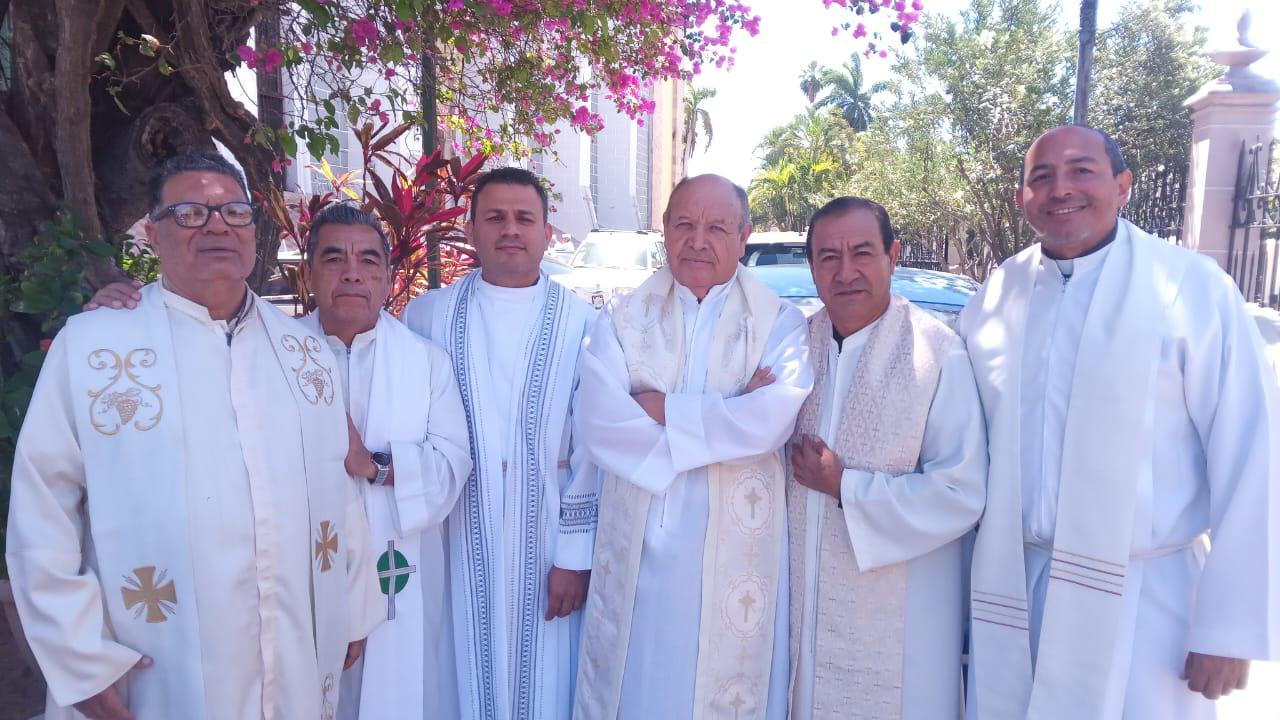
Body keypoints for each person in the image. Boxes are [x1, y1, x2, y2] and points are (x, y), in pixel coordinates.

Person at [7, 152, 381, 720]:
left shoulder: (305, 354)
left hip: (296, 641)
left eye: (234, 212)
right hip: (154, 658)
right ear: (152, 233)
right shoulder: (93, 349)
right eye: (189, 213)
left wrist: (353, 607)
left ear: (254, 234)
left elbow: (339, 490)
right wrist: (78, 662)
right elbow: (42, 509)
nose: (215, 227)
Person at [961, 125, 1280, 719]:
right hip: (1017, 589)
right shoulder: (997, 294)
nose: (1062, 189)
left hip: (1147, 603)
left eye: (1082, 170)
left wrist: (1229, 629)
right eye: (1042, 176)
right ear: (1021, 197)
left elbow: (1252, 453)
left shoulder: (1189, 288)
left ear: (1123, 185)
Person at [572, 174, 814, 720]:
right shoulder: (622, 320)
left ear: (744, 234)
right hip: (642, 551)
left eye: (716, 227)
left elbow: (774, 419)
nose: (698, 240)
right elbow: (600, 421)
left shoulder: (780, 322)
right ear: (664, 230)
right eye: (684, 224)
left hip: (741, 553)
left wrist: (660, 408)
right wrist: (733, 406)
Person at [401, 167, 599, 720]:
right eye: (495, 217)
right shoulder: (427, 317)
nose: (510, 230)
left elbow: (592, 449)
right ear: (470, 229)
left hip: (550, 544)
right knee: (456, 675)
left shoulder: (584, 324)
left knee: (550, 686)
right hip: (456, 541)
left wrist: (576, 556)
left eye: (523, 218)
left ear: (546, 230)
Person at [786, 197, 987, 719]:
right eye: (828, 256)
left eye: (862, 252)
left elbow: (960, 492)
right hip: (801, 615)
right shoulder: (792, 349)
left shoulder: (939, 353)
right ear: (811, 266)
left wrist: (846, 487)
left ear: (893, 254)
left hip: (900, 623)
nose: (846, 271)